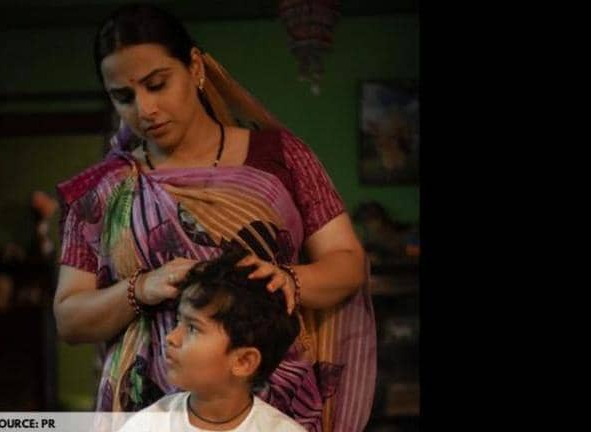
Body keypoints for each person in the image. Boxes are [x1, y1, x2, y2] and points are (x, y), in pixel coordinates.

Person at [53, 3, 376, 431]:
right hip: (148, 406)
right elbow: (69, 317)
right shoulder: (103, 190)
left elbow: (348, 262)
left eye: (157, 84)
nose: (145, 109)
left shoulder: (280, 157)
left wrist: (289, 279)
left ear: (195, 68)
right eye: (124, 97)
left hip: (271, 401)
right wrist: (141, 288)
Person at [118, 247, 305, 432]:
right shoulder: (147, 425)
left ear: (243, 361)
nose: (171, 337)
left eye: (193, 328)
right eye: (178, 321)